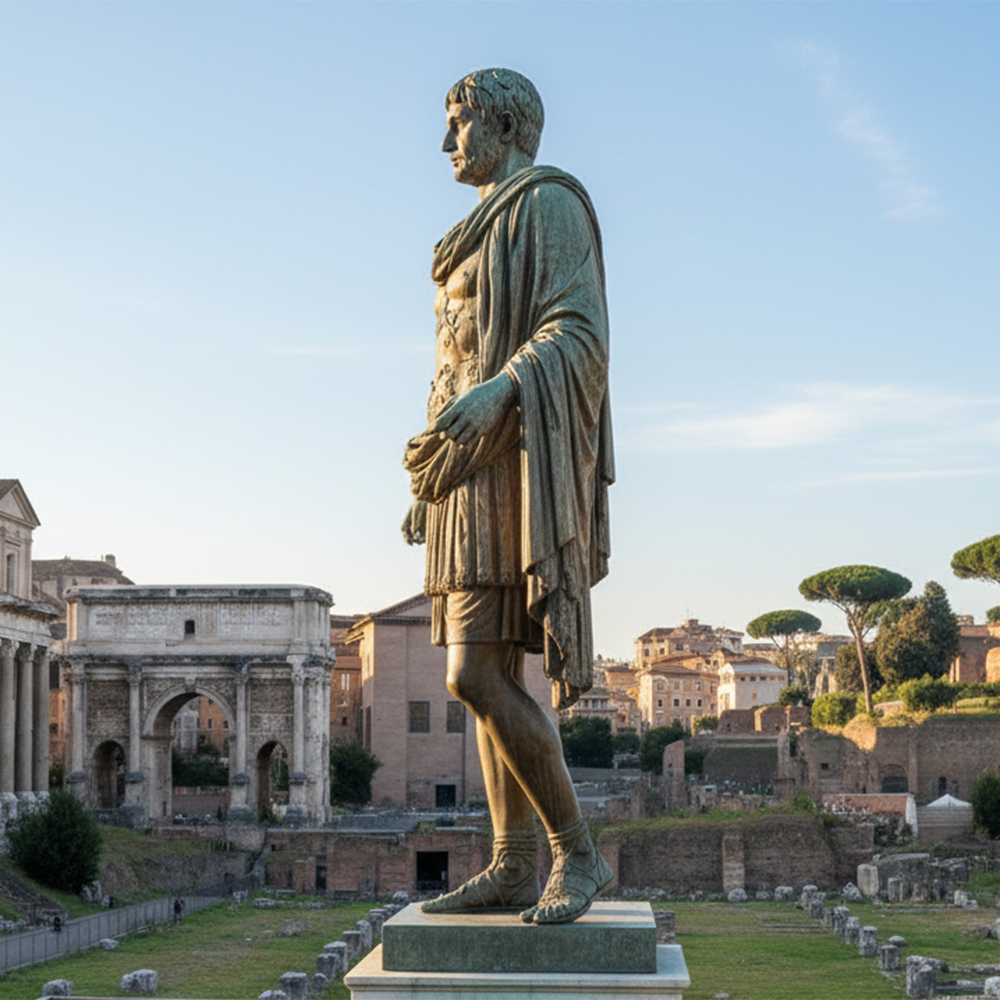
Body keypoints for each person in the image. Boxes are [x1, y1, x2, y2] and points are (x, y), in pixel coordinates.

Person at [402, 68, 614, 925]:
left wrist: (504, 389)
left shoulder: (548, 205)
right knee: (483, 670)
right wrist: (429, 478)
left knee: (473, 675)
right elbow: (450, 363)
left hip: (514, 461)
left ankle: (577, 854)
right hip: (462, 468)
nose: (446, 142)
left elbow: (578, 332)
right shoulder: (469, 232)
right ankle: (515, 861)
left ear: (503, 124)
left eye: (458, 123)